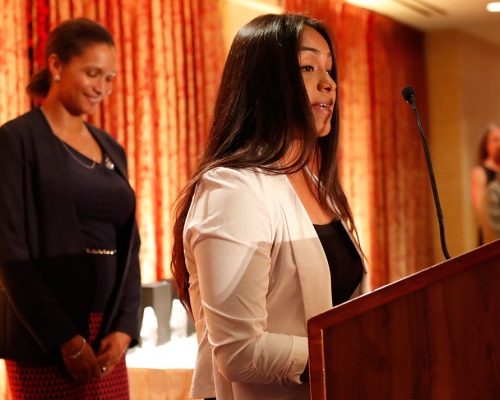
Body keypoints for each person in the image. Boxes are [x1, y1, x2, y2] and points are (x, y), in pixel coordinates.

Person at [171, 13, 370, 400]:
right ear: (264, 83)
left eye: (329, 69)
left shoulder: (315, 185)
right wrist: (343, 353)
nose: (328, 84)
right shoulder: (233, 189)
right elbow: (240, 352)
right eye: (308, 67)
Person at [0, 18, 141, 399]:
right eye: (93, 73)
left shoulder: (111, 146)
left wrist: (125, 327)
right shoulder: (16, 140)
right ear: (57, 65)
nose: (102, 88)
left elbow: (130, 244)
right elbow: (10, 252)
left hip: (107, 333)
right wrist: (66, 340)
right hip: (46, 337)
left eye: (110, 78)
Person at [470, 123, 500, 245]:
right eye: (495, 140)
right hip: (492, 235)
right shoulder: (480, 172)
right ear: (486, 145)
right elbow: (481, 211)